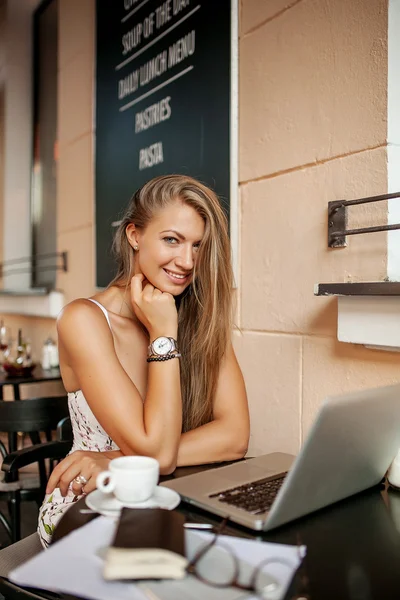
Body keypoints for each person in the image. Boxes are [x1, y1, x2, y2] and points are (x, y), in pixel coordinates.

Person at [38, 174, 250, 547]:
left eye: (198, 245)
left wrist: (118, 458)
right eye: (172, 239)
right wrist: (163, 334)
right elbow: (159, 455)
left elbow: (234, 437)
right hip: (88, 505)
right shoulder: (83, 320)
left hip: (170, 497)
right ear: (135, 236)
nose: (187, 261)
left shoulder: (199, 316)